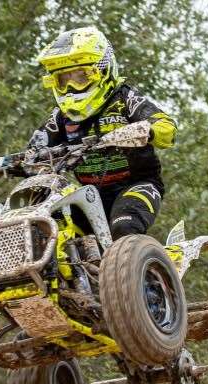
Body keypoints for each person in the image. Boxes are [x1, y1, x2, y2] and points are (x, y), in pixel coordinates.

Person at [26, 26, 177, 240]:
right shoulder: (61, 116)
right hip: (89, 196)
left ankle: (144, 267)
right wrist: (11, 164)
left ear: (103, 70)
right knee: (49, 231)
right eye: (63, 79)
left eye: (80, 77)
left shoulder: (125, 98)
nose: (70, 86)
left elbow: (167, 126)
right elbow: (34, 149)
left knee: (123, 229)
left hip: (136, 186)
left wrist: (148, 130)